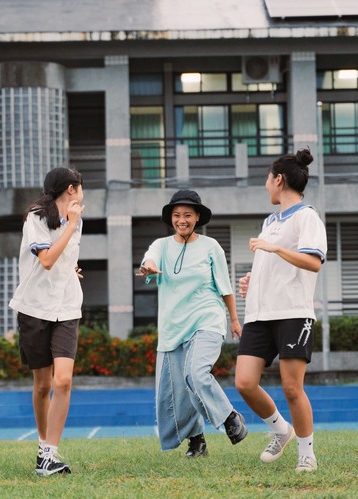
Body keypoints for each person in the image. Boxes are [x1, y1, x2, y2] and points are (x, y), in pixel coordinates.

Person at [234, 148, 327, 473]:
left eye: (268, 179)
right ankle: (280, 429)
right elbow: (273, 264)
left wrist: (275, 248)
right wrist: (252, 280)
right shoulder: (270, 221)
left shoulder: (307, 216)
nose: (266, 185)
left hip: (293, 314)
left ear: (279, 180)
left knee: (291, 387)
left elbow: (313, 262)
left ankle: (306, 453)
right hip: (259, 315)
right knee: (244, 382)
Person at [138, 190, 248, 458]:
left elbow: (224, 286)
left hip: (207, 319)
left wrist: (234, 320)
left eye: (187, 215)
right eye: (177, 215)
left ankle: (230, 417)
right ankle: (197, 442)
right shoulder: (161, 246)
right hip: (173, 326)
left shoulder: (211, 247)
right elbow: (149, 259)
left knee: (196, 373)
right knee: (175, 392)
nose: (182, 220)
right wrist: (149, 267)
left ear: (197, 217)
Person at [9, 167, 85, 476]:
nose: (82, 196)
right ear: (70, 189)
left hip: (66, 307)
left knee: (63, 380)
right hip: (34, 308)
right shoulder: (36, 218)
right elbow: (47, 259)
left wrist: (73, 270)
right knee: (42, 384)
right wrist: (72, 224)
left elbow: (63, 260)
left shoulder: (74, 222)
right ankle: (43, 446)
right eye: (80, 190)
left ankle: (50, 454)